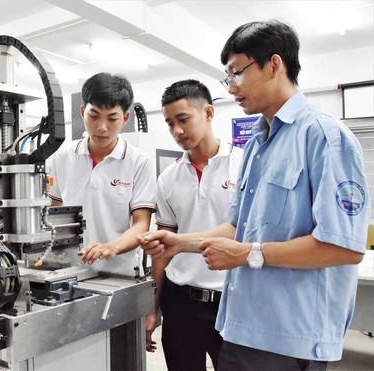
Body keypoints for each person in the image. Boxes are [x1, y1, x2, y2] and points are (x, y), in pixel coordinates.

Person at [139, 20, 369, 371]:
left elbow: (345, 247)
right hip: (242, 326)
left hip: (289, 334)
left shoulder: (324, 137)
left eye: (236, 73)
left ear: (274, 64)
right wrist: (179, 243)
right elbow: (238, 227)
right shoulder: (258, 145)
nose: (231, 87)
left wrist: (247, 255)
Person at [145, 79, 243, 371]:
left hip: (233, 301)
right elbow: (163, 251)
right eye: (169, 123)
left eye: (183, 119)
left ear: (209, 113)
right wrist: (153, 309)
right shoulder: (168, 179)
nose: (177, 131)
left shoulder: (244, 164)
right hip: (181, 302)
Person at [48, 72, 156, 276]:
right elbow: (54, 212)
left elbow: (141, 223)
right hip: (70, 272)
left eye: (112, 118)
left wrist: (111, 247)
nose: (102, 127)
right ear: (82, 112)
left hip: (119, 274)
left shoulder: (139, 163)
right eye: (94, 116)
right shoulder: (61, 158)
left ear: (125, 118)